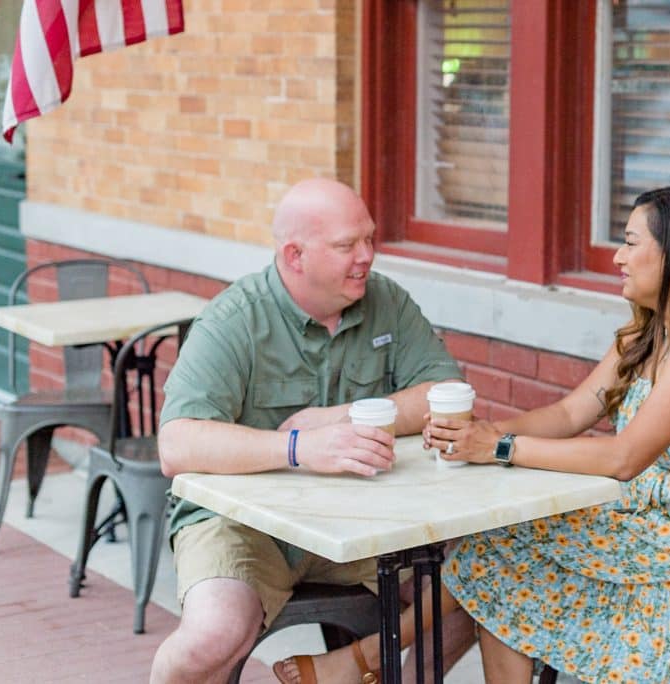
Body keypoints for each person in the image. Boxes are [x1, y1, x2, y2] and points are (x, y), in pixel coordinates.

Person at [292, 185, 670, 684]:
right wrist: (483, 431)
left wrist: (497, 449)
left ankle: (369, 657)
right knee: (500, 548)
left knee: (503, 553)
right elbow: (570, 412)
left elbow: (624, 457)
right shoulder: (651, 329)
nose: (617, 258)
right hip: (651, 514)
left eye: (629, 242)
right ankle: (367, 659)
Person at [149, 179, 476, 684]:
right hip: (244, 525)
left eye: (370, 239)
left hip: (366, 519)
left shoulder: (386, 301)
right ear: (295, 255)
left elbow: (446, 392)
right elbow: (176, 444)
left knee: (477, 587)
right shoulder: (234, 318)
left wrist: (339, 417)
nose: (366, 256)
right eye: (348, 245)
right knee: (212, 637)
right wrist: (298, 447)